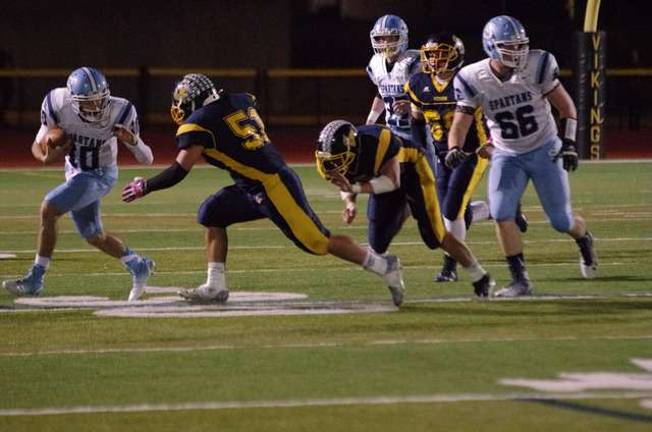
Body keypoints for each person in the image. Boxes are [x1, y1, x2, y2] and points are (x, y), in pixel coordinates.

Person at [120, 73, 405, 306]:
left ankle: (384, 266)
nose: (179, 107)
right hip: (253, 184)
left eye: (183, 101)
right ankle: (215, 285)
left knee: (317, 242)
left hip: (273, 184)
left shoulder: (199, 124)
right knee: (212, 213)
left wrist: (146, 186)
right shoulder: (239, 100)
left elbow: (179, 170)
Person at [447, 15, 598, 297]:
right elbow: (460, 123)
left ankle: (584, 238)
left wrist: (568, 144)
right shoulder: (471, 78)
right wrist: (454, 147)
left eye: (520, 46)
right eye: (510, 46)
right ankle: (521, 280)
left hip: (544, 148)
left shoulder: (538, 64)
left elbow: (567, 109)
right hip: (507, 153)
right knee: (502, 212)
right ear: (491, 46)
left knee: (561, 221)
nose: (518, 52)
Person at [2, 67, 155, 301]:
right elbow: (38, 142)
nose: (96, 107)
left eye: (99, 101)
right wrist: (44, 157)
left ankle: (36, 278)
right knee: (94, 235)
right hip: (74, 172)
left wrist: (132, 140)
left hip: (101, 174)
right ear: (73, 101)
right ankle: (138, 265)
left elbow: (147, 158)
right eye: (88, 103)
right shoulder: (57, 102)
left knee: (48, 208)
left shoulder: (121, 110)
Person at [315, 119, 494, 298]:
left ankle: (479, 275)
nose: (332, 167)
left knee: (436, 236)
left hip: (414, 171)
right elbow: (347, 182)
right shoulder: (329, 165)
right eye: (329, 161)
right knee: (377, 242)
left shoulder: (378, 142)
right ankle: (403, 215)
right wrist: (350, 202)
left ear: (353, 149)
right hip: (381, 180)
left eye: (338, 160)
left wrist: (354, 189)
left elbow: (392, 181)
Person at [405, 32, 529, 283]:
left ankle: (450, 266)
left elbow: (497, 110)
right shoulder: (418, 84)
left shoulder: (468, 81)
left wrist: (494, 144)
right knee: (449, 211)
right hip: (442, 155)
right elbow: (416, 121)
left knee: (452, 211)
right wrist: (420, 152)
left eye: (439, 55)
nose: (432, 60)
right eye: (429, 55)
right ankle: (500, 209)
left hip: (472, 152)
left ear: (455, 56)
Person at [365, 15, 420, 147]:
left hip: (418, 130)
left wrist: (412, 106)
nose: (386, 43)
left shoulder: (413, 63)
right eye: (381, 38)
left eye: (391, 38)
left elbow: (429, 95)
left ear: (402, 37)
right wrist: (370, 121)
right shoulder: (376, 63)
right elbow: (382, 93)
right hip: (393, 131)